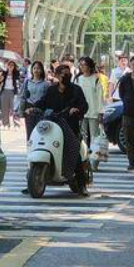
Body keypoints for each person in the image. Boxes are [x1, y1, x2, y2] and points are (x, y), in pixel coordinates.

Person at [31, 64, 90, 196]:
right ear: (57, 75)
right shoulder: (51, 90)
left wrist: (77, 110)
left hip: (70, 125)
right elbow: (42, 102)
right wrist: (32, 108)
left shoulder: (76, 90)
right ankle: (31, 180)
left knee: (73, 150)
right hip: (52, 125)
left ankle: (82, 185)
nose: (66, 75)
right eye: (63, 73)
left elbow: (84, 105)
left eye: (68, 73)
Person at [75, 57, 105, 149]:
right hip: (81, 112)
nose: (82, 67)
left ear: (89, 66)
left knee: (94, 136)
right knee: (83, 137)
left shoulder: (96, 79)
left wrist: (100, 112)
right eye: (81, 65)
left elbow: (100, 97)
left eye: (84, 65)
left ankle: (94, 157)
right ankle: (84, 157)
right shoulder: (78, 79)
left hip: (93, 112)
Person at [20, 61, 51, 140]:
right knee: (30, 133)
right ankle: (30, 151)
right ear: (32, 70)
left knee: (40, 133)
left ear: (42, 70)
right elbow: (23, 97)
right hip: (28, 109)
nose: (36, 70)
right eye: (34, 68)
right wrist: (21, 112)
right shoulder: (27, 82)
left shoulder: (46, 84)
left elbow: (47, 100)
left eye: (38, 68)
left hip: (41, 110)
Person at [0, 60, 21, 129]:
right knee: (4, 109)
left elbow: (18, 82)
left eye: (12, 65)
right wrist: (0, 79)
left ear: (14, 66)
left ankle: (16, 124)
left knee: (14, 108)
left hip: (13, 92)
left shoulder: (17, 73)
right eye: (9, 65)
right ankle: (6, 124)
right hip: (4, 91)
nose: (10, 66)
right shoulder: (4, 73)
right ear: (7, 66)